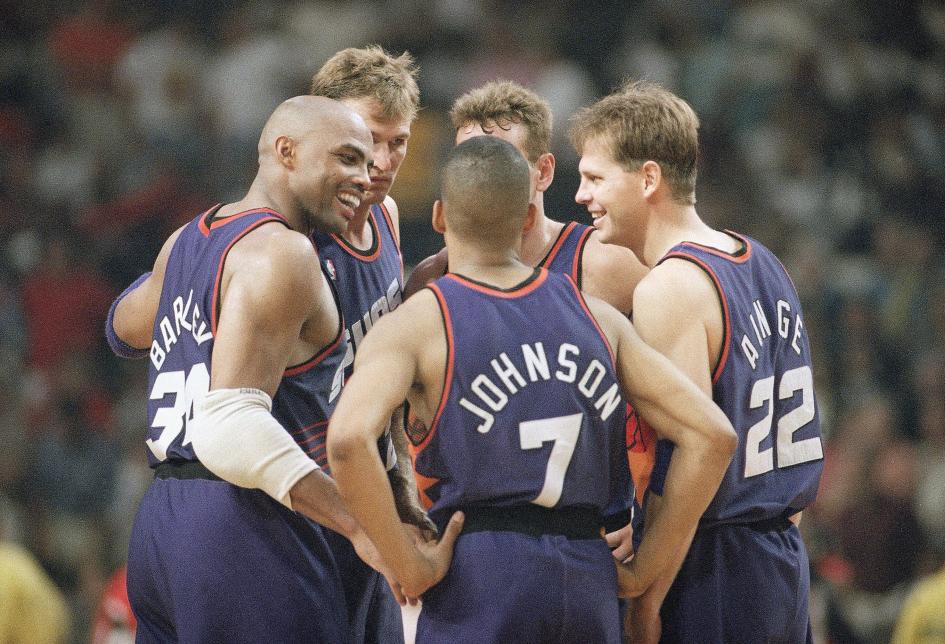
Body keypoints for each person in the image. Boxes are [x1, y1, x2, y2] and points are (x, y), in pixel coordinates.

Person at [327, 135, 736, 643]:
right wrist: (646, 567)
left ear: (438, 217)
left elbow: (347, 441)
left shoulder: (418, 323)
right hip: (587, 571)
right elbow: (714, 435)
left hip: (480, 570)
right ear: (526, 218)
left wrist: (404, 561)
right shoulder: (599, 317)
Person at [105, 95, 389, 642]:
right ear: (286, 151)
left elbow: (120, 328)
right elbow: (230, 427)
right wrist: (359, 524)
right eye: (348, 158)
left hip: (163, 523)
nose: (366, 175)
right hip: (246, 518)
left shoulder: (187, 240)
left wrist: (190, 295)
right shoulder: (285, 254)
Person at [571, 81, 825, 643]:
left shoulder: (669, 287)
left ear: (649, 179)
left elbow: (693, 458)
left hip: (715, 564)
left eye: (594, 178)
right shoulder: (763, 260)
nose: (581, 195)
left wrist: (645, 589)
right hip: (781, 554)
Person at [403, 79, 652, 562]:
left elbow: (680, 403)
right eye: (469, 160)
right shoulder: (431, 279)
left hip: (593, 532)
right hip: (477, 538)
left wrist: (650, 519)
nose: (483, 172)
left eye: (500, 158)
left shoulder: (605, 264)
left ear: (542, 171)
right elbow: (402, 426)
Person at [310, 45, 425, 643]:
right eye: (367, 140)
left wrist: (402, 479)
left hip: (368, 502)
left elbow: (391, 371)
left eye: (397, 141)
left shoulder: (389, 219)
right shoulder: (289, 243)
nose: (382, 160)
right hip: (302, 510)